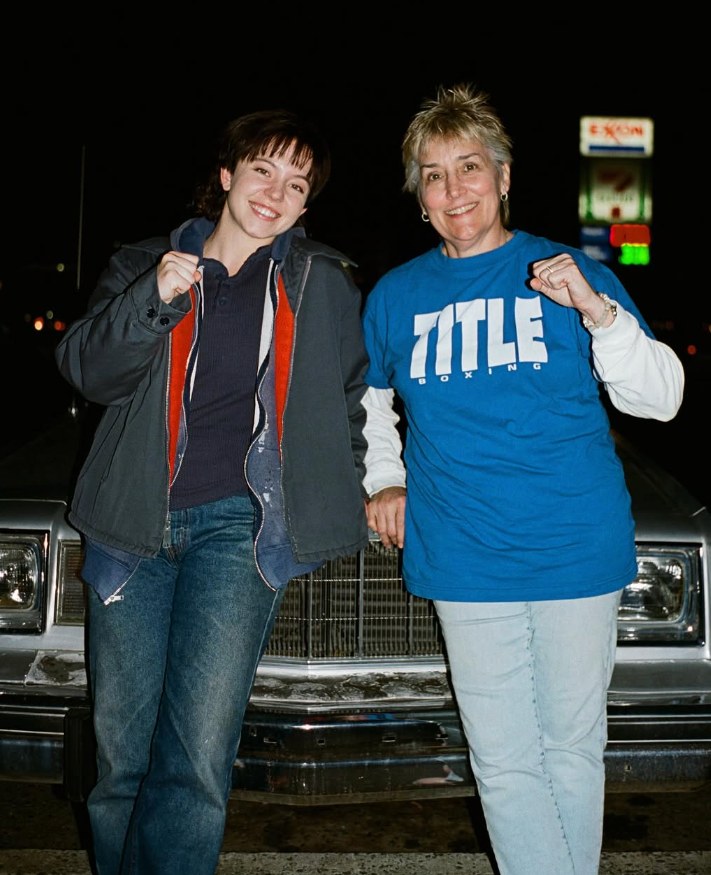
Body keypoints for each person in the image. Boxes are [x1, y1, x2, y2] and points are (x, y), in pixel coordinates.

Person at [361, 84, 684, 875]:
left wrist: (597, 312)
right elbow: (368, 403)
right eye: (432, 175)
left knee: (571, 748)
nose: (453, 188)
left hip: (576, 544)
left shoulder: (566, 269)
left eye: (468, 166)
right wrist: (383, 478)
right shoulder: (395, 295)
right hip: (464, 554)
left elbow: (662, 397)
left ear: (504, 177)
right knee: (502, 761)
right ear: (418, 198)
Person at [55, 109, 370, 875]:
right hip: (133, 523)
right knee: (121, 759)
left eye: (296, 184)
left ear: (304, 207)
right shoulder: (142, 260)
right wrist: (153, 298)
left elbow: (349, 398)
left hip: (240, 527)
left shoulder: (320, 279)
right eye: (262, 169)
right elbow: (85, 369)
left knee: (194, 758)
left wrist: (340, 487)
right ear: (227, 174)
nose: (276, 191)